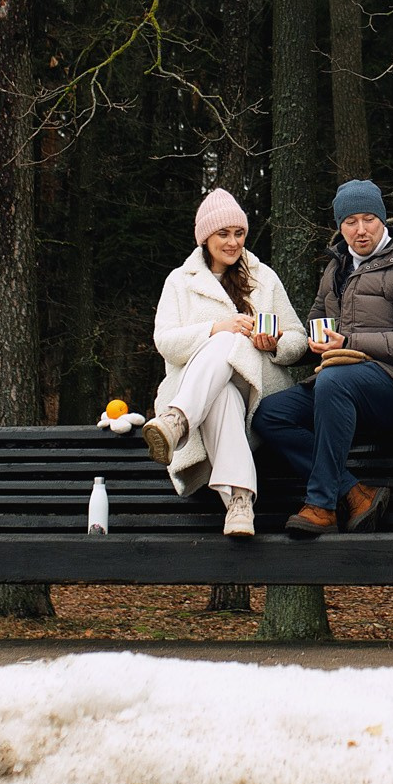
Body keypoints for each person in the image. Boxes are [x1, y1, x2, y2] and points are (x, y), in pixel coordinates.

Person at [253, 179, 393, 538]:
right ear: (339, 226)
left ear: (383, 220)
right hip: (341, 384)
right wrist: (282, 343)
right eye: (350, 222)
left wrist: (348, 342)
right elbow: (315, 326)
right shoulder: (337, 268)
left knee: (335, 380)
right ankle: (355, 492)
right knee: (269, 414)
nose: (360, 230)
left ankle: (322, 505)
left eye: (369, 219)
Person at [145, 188, 308, 537]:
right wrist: (216, 328)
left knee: (231, 341)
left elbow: (297, 339)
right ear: (205, 237)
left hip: (259, 389)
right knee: (222, 390)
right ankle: (239, 502)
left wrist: (275, 344)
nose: (233, 242)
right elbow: (166, 343)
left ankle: (176, 420)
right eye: (223, 234)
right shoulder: (180, 281)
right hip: (209, 396)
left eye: (239, 233)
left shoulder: (264, 277)